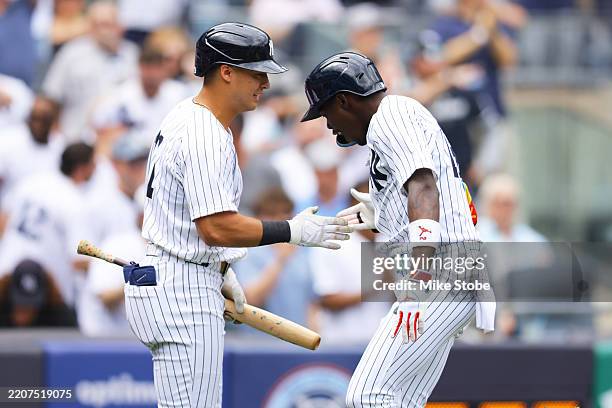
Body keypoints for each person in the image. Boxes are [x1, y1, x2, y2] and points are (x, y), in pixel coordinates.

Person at [125, 23, 351, 407]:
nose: (264, 83)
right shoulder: (204, 133)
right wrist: (292, 231)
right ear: (226, 72)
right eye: (256, 72)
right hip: (182, 286)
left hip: (180, 273)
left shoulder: (192, 116)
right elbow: (216, 227)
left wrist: (223, 270)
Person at [301, 52, 494, 407]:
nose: (329, 126)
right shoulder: (389, 124)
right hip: (450, 272)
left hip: (437, 275)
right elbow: (420, 188)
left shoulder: (390, 115)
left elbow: (423, 185)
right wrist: (382, 214)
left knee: (366, 395)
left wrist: (418, 277)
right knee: (400, 400)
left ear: (344, 100)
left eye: (327, 112)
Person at [0, 143, 95, 308]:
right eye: (93, 164)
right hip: (48, 289)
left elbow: (3, 220)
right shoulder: (73, 200)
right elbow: (79, 260)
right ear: (82, 168)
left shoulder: (32, 181)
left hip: (6, 274)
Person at [42, 0, 138, 142]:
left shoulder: (132, 55)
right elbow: (51, 98)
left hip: (117, 147)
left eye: (107, 24)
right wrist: (56, 137)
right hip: (74, 140)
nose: (102, 31)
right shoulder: (71, 53)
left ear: (120, 26)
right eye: (96, 25)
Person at [309, 180, 390, 345]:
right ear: (353, 208)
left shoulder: (391, 241)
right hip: (341, 342)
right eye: (367, 205)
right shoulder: (334, 243)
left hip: (382, 342)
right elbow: (328, 299)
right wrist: (374, 289)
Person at [233, 187, 315, 328]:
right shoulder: (248, 253)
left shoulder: (301, 253)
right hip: (259, 345)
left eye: (286, 215)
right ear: (259, 218)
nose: (280, 221)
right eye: (272, 215)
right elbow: (250, 299)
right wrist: (280, 261)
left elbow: (312, 303)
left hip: (298, 343)